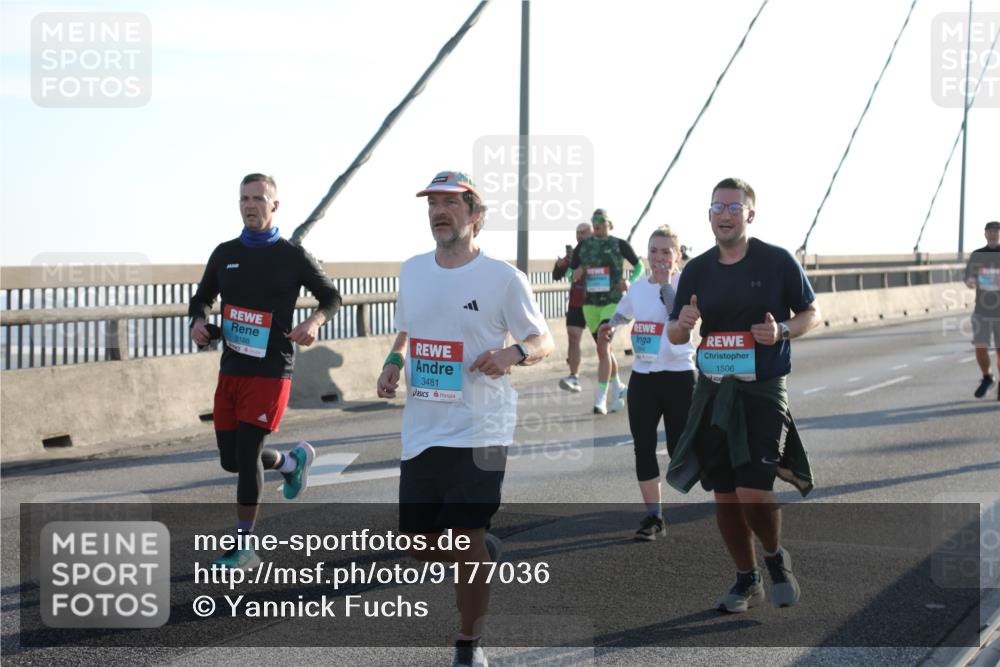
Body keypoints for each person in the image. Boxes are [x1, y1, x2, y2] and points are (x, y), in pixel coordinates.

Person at [376, 170, 553, 667]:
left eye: (450, 203)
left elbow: (545, 340)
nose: (438, 211)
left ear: (476, 216)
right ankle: (481, 555)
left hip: (483, 427)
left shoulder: (502, 278)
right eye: (432, 203)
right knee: (415, 545)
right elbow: (406, 331)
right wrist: (393, 363)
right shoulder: (412, 270)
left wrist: (512, 354)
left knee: (463, 537)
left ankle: (469, 644)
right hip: (423, 428)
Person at [666, 177, 820, 613]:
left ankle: (774, 556)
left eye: (735, 208)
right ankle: (745, 578)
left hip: (763, 389)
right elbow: (676, 333)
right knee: (726, 494)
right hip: (714, 389)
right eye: (718, 207)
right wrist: (685, 323)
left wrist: (782, 331)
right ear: (709, 214)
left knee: (755, 489)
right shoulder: (696, 269)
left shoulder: (775, 261)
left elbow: (812, 312)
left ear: (750, 215)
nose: (726, 215)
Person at [189, 173, 341, 570]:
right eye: (244, 198)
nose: (250, 205)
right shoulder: (224, 253)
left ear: (275, 206)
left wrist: (314, 323)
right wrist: (197, 323)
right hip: (232, 367)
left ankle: (244, 548)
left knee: (249, 450)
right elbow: (202, 298)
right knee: (232, 460)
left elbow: (331, 296)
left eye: (259, 198)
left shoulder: (291, 255)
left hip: (272, 369)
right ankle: (292, 463)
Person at [598, 225, 695, 540]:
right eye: (654, 251)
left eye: (666, 251)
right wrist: (610, 326)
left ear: (677, 255)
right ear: (646, 254)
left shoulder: (685, 286)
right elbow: (623, 313)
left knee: (682, 445)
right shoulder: (637, 288)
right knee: (644, 445)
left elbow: (678, 316)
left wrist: (667, 285)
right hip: (644, 376)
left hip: (680, 375)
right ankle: (654, 517)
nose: (659, 258)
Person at [569, 208, 644, 414]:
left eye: (601, 220)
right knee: (605, 350)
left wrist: (630, 280)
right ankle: (618, 385)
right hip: (590, 304)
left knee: (603, 345)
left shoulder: (619, 244)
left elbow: (639, 267)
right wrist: (574, 273)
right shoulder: (584, 246)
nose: (597, 223)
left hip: (612, 302)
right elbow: (570, 272)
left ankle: (601, 398)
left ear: (609, 224)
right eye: (594, 220)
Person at [553, 222, 593, 392]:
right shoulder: (574, 254)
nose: (580, 236)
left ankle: (615, 382)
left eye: (584, 232)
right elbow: (557, 276)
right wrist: (560, 265)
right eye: (578, 233)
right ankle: (574, 376)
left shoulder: (599, 251)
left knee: (603, 344)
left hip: (596, 302)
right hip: (576, 302)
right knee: (573, 337)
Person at [964, 221, 1000, 400]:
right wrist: (971, 281)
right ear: (985, 233)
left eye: (996, 231)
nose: (992, 234)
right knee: (980, 346)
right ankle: (987, 377)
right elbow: (969, 277)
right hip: (981, 310)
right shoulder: (977, 255)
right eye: (990, 231)